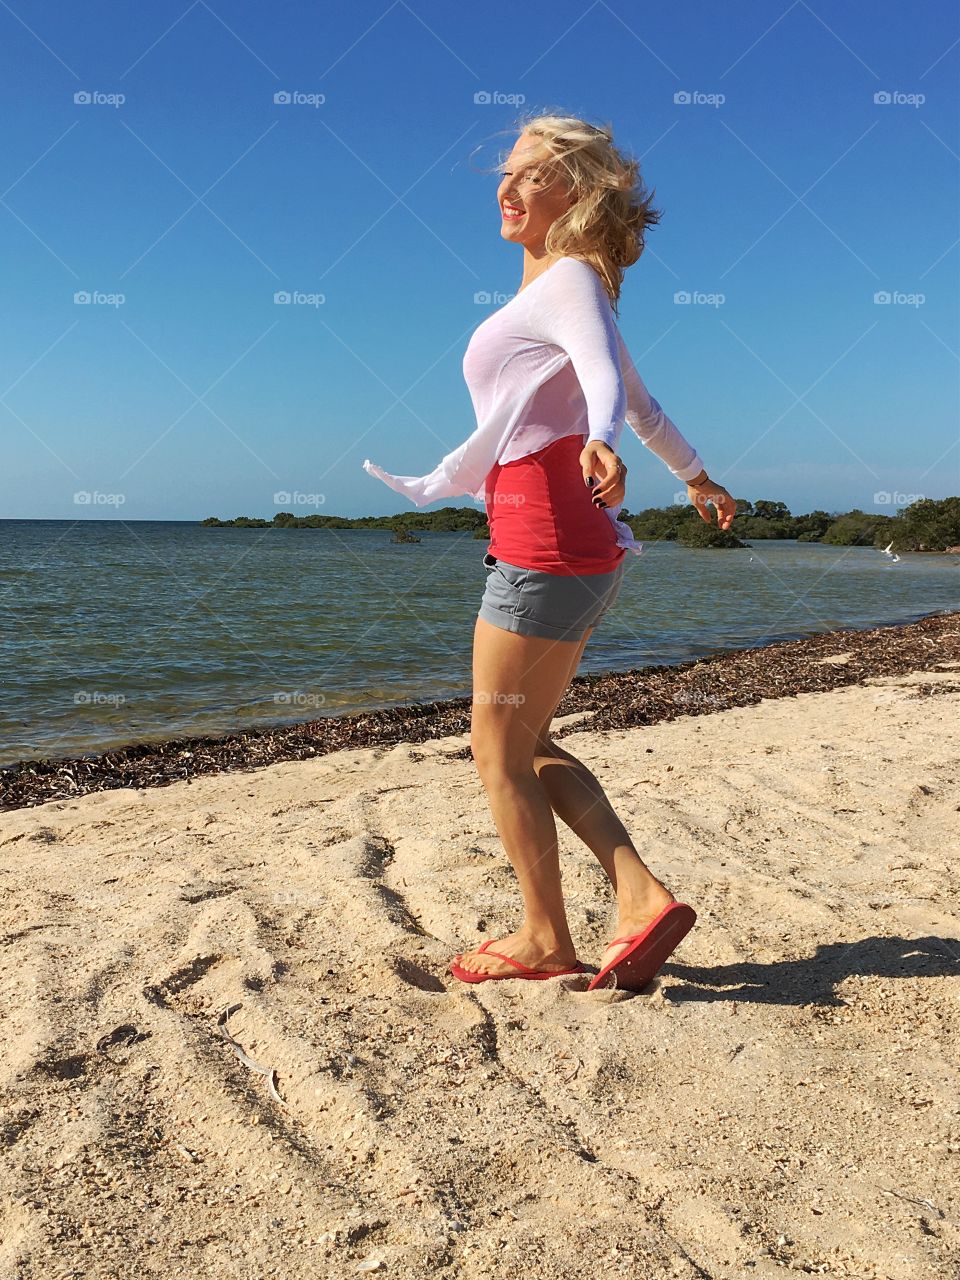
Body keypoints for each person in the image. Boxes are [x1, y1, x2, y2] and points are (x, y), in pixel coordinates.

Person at [363, 112, 737, 992]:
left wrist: (598, 438)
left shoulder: (570, 277)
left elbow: (615, 401)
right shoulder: (569, 295)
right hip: (572, 545)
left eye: (531, 174)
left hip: (545, 536)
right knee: (523, 740)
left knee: (495, 746)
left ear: (576, 193)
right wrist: (697, 477)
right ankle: (639, 895)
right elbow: (644, 401)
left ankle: (544, 939)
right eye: (508, 172)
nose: (508, 186)